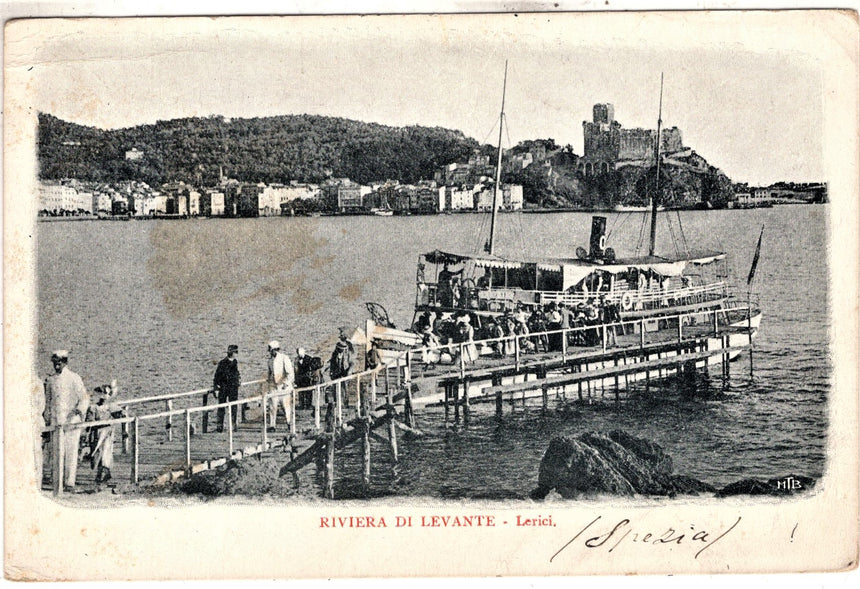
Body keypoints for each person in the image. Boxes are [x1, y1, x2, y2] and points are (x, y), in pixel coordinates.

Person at [43, 350, 90, 491]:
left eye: (60, 362)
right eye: (54, 363)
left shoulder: (74, 378)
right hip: (56, 422)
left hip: (71, 422)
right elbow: (48, 402)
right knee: (56, 452)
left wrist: (79, 411)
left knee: (70, 452)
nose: (57, 365)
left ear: (65, 362)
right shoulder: (51, 380)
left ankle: (69, 482)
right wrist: (46, 419)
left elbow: (84, 398)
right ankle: (57, 481)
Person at [85, 381, 124, 485]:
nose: (103, 397)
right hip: (96, 433)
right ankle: (102, 472)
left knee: (106, 453)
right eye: (101, 395)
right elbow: (89, 421)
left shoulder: (110, 406)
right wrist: (87, 433)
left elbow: (121, 414)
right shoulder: (93, 407)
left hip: (106, 433)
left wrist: (120, 414)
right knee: (96, 453)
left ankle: (103, 473)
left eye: (105, 395)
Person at [266, 340, 295, 431]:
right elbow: (270, 373)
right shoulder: (270, 361)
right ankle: (272, 425)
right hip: (274, 387)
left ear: (275, 350)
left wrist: (286, 383)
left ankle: (289, 423)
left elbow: (290, 373)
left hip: (283, 387)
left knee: (285, 406)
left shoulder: (284, 358)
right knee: (272, 406)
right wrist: (269, 384)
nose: (270, 352)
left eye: (271, 350)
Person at [213, 344, 241, 433]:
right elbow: (217, 376)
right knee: (221, 407)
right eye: (233, 352)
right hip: (224, 388)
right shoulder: (222, 363)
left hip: (233, 388)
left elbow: (237, 374)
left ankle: (233, 425)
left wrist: (238, 380)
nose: (234, 354)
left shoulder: (235, 362)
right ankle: (220, 426)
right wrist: (216, 387)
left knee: (234, 407)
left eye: (235, 352)